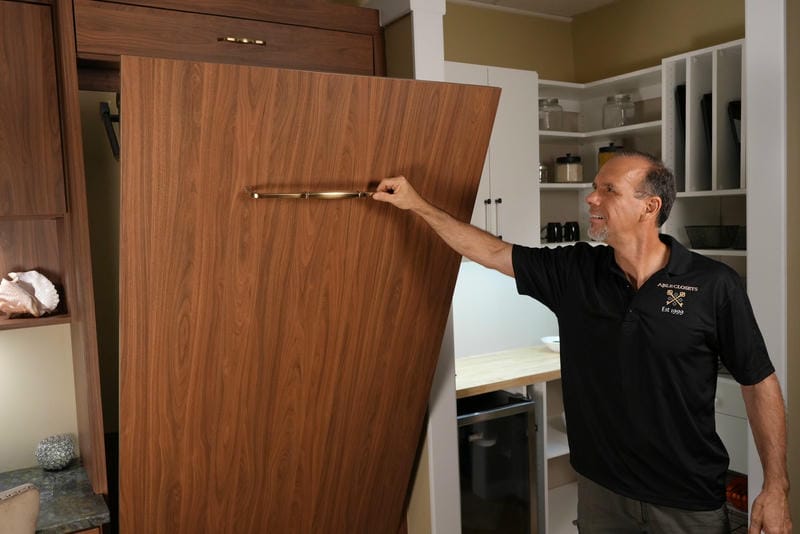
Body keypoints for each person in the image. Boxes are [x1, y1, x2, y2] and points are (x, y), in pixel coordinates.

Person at [372, 151, 791, 533]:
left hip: (686, 499)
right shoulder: (575, 270)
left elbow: (759, 382)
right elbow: (494, 252)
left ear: (650, 207)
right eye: (594, 187)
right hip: (601, 494)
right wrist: (416, 205)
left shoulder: (714, 284)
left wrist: (776, 486)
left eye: (608, 190)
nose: (591, 198)